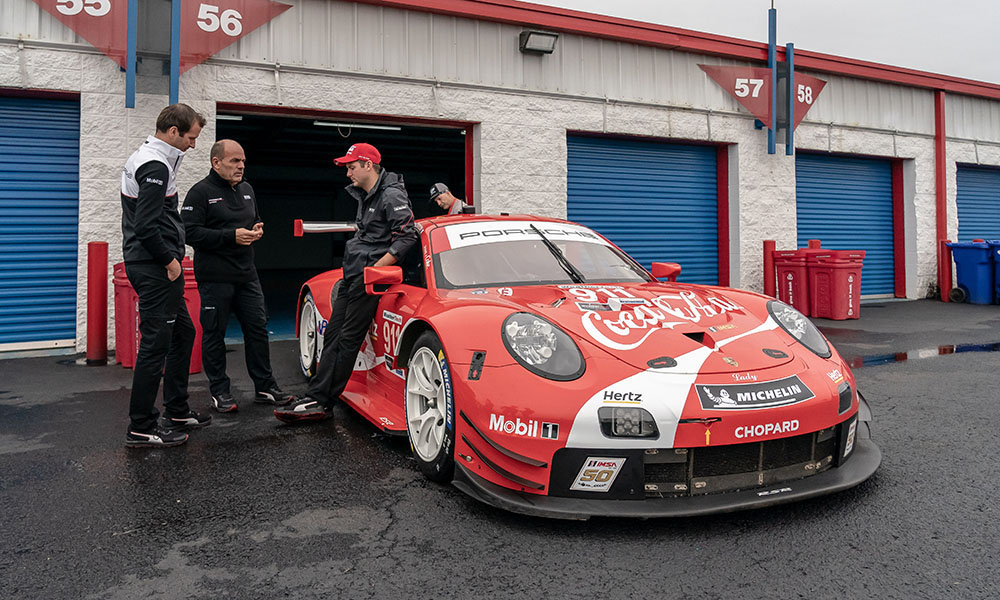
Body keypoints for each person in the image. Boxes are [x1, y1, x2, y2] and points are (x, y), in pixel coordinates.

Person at [275, 143, 417, 423]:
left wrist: (376, 271)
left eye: (352, 167)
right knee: (333, 336)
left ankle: (323, 401)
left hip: (370, 281)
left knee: (347, 341)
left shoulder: (391, 195)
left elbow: (407, 236)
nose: (348, 173)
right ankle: (317, 395)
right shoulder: (367, 195)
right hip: (353, 276)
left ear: (368, 165)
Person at [121, 103, 211, 448]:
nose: (193, 144)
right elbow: (145, 224)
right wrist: (170, 261)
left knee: (183, 334)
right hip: (155, 267)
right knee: (155, 345)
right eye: (191, 137)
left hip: (154, 265)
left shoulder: (156, 160)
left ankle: (176, 410)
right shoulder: (154, 165)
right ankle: (141, 426)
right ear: (172, 132)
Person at [182, 139, 296, 413]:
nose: (241, 166)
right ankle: (220, 391)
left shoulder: (246, 189)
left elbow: (251, 220)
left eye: (243, 161)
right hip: (214, 277)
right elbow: (189, 233)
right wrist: (230, 236)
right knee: (214, 334)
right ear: (216, 162)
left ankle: (265, 387)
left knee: (257, 329)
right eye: (234, 161)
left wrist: (255, 230)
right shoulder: (200, 193)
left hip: (246, 275)